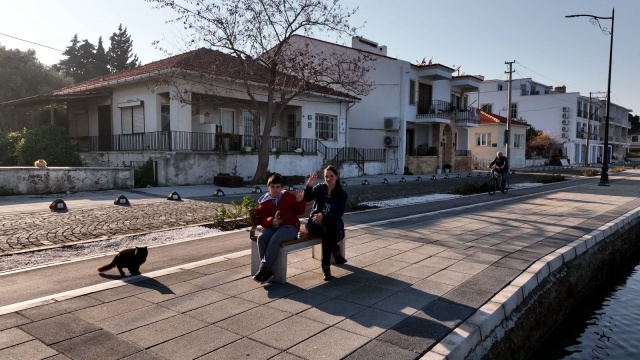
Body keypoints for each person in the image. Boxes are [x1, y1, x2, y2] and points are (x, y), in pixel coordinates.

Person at [253, 174, 306, 283]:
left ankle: (263, 269)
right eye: (273, 187)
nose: (275, 189)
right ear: (268, 187)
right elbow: (263, 220)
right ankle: (267, 271)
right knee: (261, 238)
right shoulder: (264, 201)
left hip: (289, 227)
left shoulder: (288, 196)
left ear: (281, 188)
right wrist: (271, 221)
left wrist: (300, 201)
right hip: (273, 227)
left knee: (276, 238)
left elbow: (299, 211)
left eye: (278, 187)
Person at [304, 165, 348, 281]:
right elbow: (307, 198)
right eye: (326, 176)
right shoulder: (320, 188)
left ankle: (326, 267)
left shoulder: (342, 194)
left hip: (330, 224)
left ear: (337, 177)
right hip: (314, 223)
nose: (328, 179)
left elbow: (338, 213)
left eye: (331, 176)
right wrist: (309, 184)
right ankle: (335, 251)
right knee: (328, 230)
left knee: (327, 232)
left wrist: (323, 216)